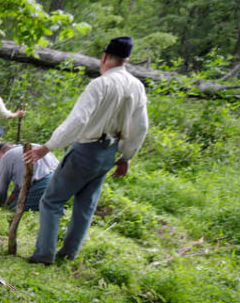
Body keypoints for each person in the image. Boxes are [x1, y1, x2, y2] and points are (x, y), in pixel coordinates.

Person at [24, 36, 149, 264]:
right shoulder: (136, 86)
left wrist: (47, 147)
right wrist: (126, 156)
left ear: (104, 57)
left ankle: (44, 255)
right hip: (109, 152)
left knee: (51, 201)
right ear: (126, 60)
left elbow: (78, 121)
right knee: (85, 205)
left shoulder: (100, 84)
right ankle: (69, 253)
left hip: (86, 149)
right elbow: (141, 127)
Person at [0, 142, 59, 211]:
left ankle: (46, 206)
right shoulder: (36, 146)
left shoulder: (6, 156)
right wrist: (11, 198)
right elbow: (21, 183)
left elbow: (1, 188)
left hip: (43, 185)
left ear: (0, 153)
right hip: (60, 181)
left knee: (13, 209)